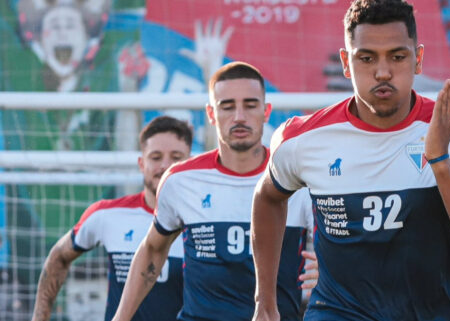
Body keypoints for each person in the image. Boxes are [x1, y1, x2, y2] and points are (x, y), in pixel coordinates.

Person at [250, 0, 450, 320]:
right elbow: (267, 197)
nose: (383, 71)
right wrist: (265, 300)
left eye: (397, 57)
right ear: (346, 63)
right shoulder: (304, 138)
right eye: (367, 58)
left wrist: (439, 161)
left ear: (418, 59)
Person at [112, 62, 315, 321]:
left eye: (250, 105)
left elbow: (336, 248)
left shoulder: (298, 180)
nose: (239, 116)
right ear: (210, 113)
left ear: (266, 111)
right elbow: (153, 250)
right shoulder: (181, 180)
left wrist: (333, 271)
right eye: (227, 106)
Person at [31, 116, 194, 321]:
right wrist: (40, 317)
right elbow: (58, 257)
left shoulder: (202, 222)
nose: (165, 166)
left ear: (189, 163)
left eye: (176, 157)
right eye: (156, 157)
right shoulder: (108, 214)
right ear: (141, 163)